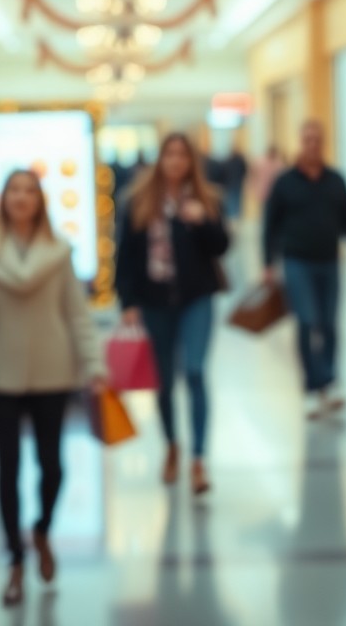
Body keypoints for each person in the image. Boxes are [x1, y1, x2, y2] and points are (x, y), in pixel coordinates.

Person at [0, 169, 104, 608]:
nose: (21, 198)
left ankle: (42, 530)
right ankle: (15, 562)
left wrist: (95, 365)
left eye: (29, 191)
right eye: (14, 190)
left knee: (53, 465)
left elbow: (76, 313)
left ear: (40, 200)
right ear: (3, 198)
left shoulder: (59, 251)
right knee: (8, 468)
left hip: (52, 372)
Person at [115, 133, 230, 495]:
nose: (176, 161)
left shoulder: (207, 198)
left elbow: (223, 246)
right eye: (170, 154)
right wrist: (128, 303)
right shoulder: (137, 201)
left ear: (192, 161)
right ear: (160, 159)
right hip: (154, 301)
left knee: (195, 371)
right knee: (164, 380)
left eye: (183, 154)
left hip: (197, 298)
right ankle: (172, 447)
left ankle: (198, 458)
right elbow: (125, 256)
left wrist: (201, 221)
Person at [262, 121, 346, 420]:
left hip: (330, 262)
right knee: (307, 322)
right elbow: (269, 225)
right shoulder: (285, 183)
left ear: (323, 144)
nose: (312, 145)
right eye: (307, 140)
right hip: (297, 262)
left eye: (317, 140)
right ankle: (312, 388)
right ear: (300, 142)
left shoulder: (336, 180)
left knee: (330, 323)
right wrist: (267, 263)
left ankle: (330, 383)